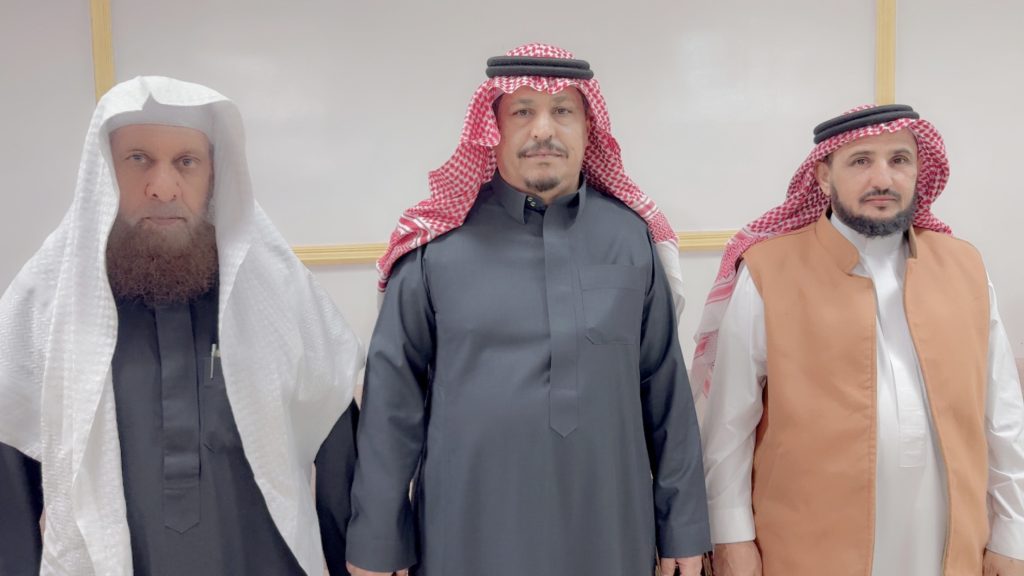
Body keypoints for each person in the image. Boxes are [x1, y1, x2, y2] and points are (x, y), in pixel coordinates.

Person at [345, 43, 710, 576]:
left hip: (609, 531)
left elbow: (666, 395)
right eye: (522, 111)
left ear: (588, 127)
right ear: (492, 127)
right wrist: (377, 543)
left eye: (562, 110)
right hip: (466, 535)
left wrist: (684, 529)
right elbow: (390, 406)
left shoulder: (631, 240)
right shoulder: (434, 248)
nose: (543, 129)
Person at [0, 76, 363, 576]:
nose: (163, 187)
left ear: (214, 174)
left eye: (186, 162)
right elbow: (10, 457)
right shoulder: (50, 301)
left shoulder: (275, 291)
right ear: (105, 171)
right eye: (138, 159)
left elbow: (335, 433)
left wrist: (356, 557)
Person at [693, 104, 1024, 575]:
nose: (882, 179)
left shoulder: (965, 267)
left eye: (899, 160)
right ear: (824, 176)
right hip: (808, 549)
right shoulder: (770, 271)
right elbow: (729, 425)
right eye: (861, 161)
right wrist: (731, 538)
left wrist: (1014, 533)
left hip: (947, 546)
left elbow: (1004, 417)